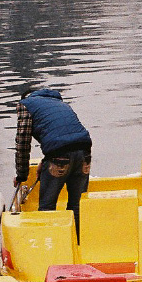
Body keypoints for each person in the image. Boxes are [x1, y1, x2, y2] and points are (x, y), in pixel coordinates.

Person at [15, 88, 92, 229]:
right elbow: (63, 136)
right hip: (84, 153)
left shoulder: (26, 104)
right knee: (77, 204)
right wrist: (45, 161)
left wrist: (21, 175)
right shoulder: (61, 104)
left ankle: (49, 245)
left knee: (47, 206)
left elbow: (23, 142)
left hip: (59, 157)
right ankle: (78, 243)